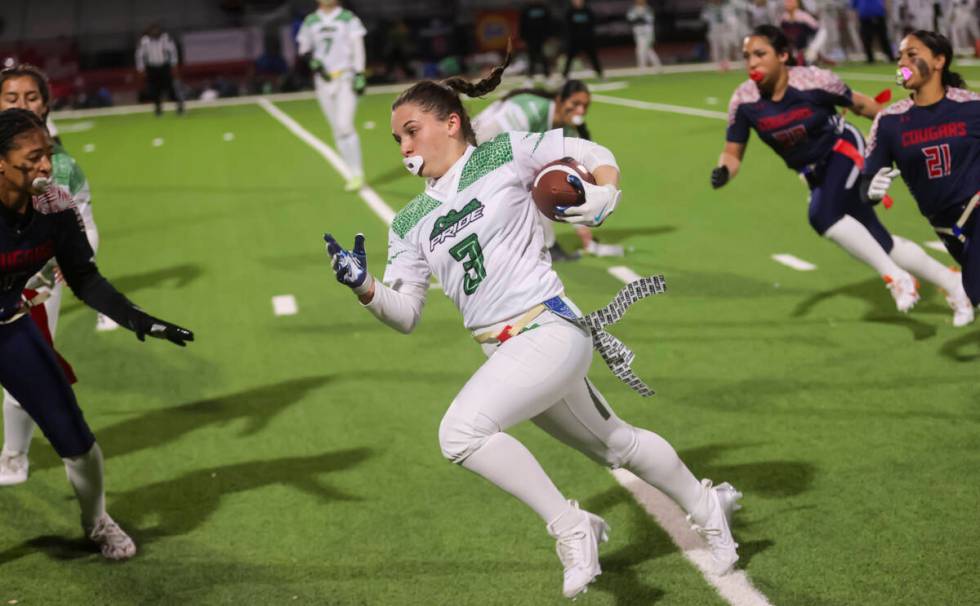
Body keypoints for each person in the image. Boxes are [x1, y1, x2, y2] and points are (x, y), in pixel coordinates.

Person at [322, 57, 742, 599]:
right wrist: (365, 288)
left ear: (451, 122)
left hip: (548, 329)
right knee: (617, 444)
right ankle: (709, 505)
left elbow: (594, 155)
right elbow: (405, 315)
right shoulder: (408, 222)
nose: (403, 147)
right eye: (396, 138)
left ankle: (572, 526)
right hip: (507, 353)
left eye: (411, 131)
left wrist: (603, 194)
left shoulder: (505, 153)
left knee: (460, 433)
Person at [0, 108, 194, 558]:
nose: (46, 166)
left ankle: (97, 521)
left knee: (75, 437)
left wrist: (138, 319)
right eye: (32, 158)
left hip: (8, 326)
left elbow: (84, 278)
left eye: (47, 153)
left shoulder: (54, 206)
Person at [711, 25, 972, 324]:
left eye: (760, 54)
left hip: (844, 150)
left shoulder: (812, 80)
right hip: (813, 174)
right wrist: (723, 172)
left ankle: (897, 278)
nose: (752, 63)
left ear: (783, 55)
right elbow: (733, 152)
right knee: (880, 242)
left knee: (821, 214)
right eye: (747, 57)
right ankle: (954, 283)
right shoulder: (744, 100)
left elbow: (863, 106)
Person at [0, 64, 119, 486]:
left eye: (31, 98)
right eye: (12, 98)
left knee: (23, 374)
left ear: (46, 105)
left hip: (32, 286)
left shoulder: (63, 167)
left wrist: (74, 260)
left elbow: (84, 224)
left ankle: (13, 454)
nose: (22, 105)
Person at [862, 30, 979, 314]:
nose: (902, 61)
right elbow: (865, 184)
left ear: (939, 61)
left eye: (912, 55)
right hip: (948, 229)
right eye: (900, 55)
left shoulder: (972, 107)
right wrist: (870, 191)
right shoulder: (889, 122)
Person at [472, 80, 625, 259]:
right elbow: (491, 137)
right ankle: (545, 245)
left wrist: (585, 225)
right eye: (575, 104)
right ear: (560, 100)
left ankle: (541, 245)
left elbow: (572, 180)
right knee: (535, 183)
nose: (581, 111)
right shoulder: (533, 110)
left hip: (499, 154)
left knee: (544, 180)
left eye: (585, 106)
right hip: (477, 148)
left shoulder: (567, 131)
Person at [296, 0, 368, 192]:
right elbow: (303, 49)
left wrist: (360, 73)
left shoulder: (348, 18)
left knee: (345, 125)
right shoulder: (311, 21)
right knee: (337, 129)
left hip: (345, 77)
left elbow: (358, 47)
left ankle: (358, 173)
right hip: (323, 81)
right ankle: (352, 172)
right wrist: (313, 62)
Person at [134, 23, 185, 116]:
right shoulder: (144, 41)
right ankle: (158, 109)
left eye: (156, 30)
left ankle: (179, 106)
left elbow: (172, 51)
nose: (155, 32)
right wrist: (141, 68)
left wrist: (174, 65)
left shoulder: (165, 39)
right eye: (153, 30)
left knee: (170, 88)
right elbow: (139, 55)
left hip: (164, 66)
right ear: (149, 31)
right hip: (151, 67)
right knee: (154, 89)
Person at [563, 0, 604, 79]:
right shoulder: (569, 12)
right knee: (569, 58)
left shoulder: (588, 11)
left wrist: (589, 35)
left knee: (593, 57)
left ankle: (600, 74)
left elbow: (593, 23)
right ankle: (564, 76)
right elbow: (567, 27)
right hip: (574, 40)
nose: (577, 2)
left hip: (587, 39)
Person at [521, 1, 554, 82]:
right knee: (531, 56)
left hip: (542, 37)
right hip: (530, 37)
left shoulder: (544, 8)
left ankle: (547, 74)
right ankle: (530, 75)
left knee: (543, 55)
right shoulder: (526, 9)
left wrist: (548, 35)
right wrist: (523, 37)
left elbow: (549, 23)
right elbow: (522, 24)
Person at [627, 0, 663, 70]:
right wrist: (638, 18)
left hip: (647, 31)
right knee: (648, 50)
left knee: (641, 49)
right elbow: (630, 18)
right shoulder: (633, 9)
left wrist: (639, 17)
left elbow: (649, 20)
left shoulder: (648, 9)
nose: (640, 1)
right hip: (638, 31)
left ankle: (642, 67)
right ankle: (657, 65)